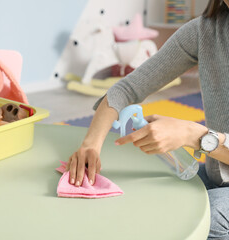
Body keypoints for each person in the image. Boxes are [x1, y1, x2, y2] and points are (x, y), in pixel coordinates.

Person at [67, 0, 229, 239]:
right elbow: (127, 89)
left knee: (206, 217)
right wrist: (90, 144)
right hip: (219, 174)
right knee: (146, 198)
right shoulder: (205, 31)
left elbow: (194, 136)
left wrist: (192, 135)